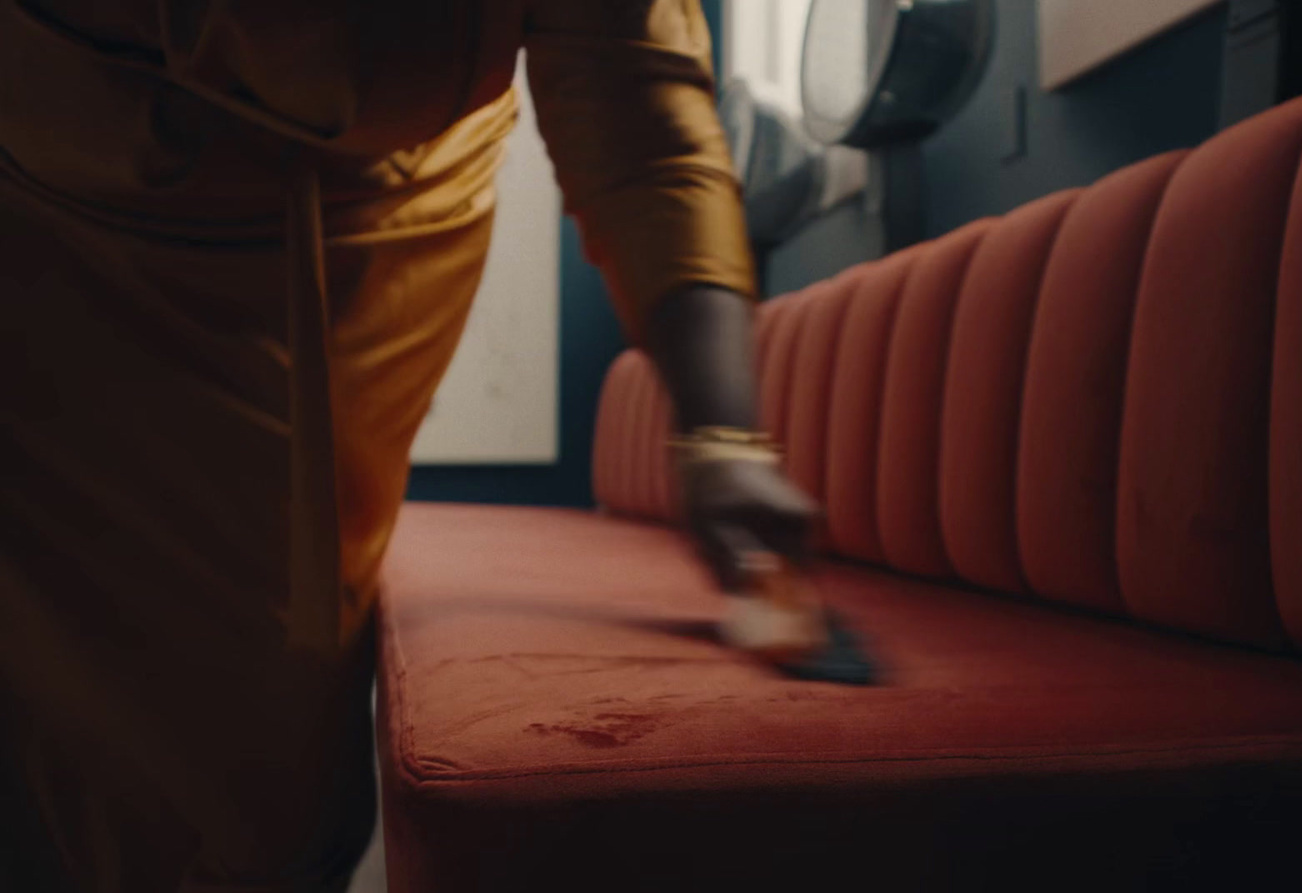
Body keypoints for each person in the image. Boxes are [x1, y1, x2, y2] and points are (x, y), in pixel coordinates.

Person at [0, 1, 819, 889]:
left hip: (379, 220)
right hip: (64, 197)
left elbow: (639, 106)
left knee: (277, 683)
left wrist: (722, 439)